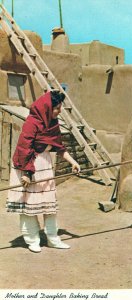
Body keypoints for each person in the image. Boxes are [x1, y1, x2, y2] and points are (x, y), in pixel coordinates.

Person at [6, 90, 81, 253]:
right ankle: (32, 239)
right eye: (57, 108)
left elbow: (59, 147)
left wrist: (73, 162)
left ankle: (53, 238)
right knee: (29, 206)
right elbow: (23, 148)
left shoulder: (52, 124)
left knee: (49, 205)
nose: (59, 111)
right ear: (48, 107)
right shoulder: (32, 122)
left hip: (45, 165)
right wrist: (26, 173)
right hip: (29, 165)